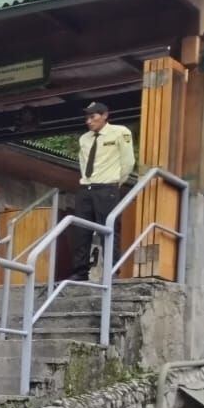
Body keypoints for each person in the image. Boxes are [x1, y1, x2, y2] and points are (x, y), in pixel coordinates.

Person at [72, 101, 136, 280]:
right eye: (87, 117)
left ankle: (111, 271)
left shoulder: (120, 132)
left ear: (105, 115)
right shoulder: (84, 138)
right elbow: (83, 163)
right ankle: (80, 272)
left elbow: (128, 162)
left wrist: (115, 182)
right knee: (81, 231)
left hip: (107, 188)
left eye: (93, 117)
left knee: (107, 230)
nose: (89, 121)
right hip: (86, 188)